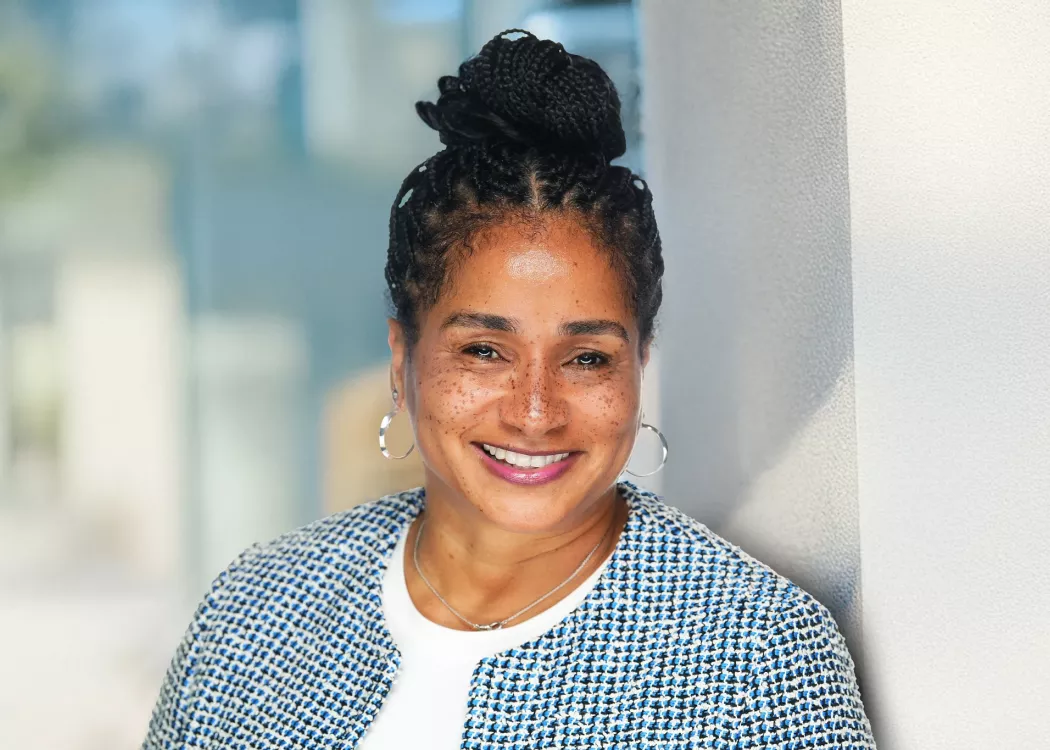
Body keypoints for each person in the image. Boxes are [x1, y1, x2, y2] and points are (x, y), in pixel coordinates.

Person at [143, 30, 875, 749]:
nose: (534, 411)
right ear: (402, 362)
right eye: (485, 350)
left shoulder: (755, 653)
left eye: (586, 358)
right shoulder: (258, 610)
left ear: (640, 363)